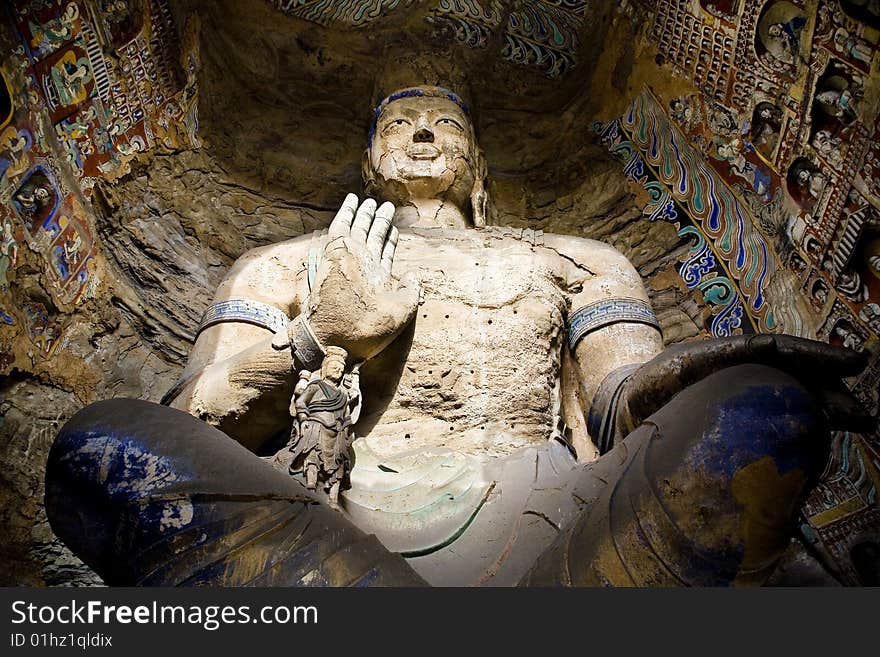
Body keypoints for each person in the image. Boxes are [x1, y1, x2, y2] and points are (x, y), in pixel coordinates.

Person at [46, 86, 873, 587]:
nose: (423, 132)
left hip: (559, 520)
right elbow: (192, 421)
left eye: (444, 122)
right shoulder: (290, 262)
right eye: (401, 121)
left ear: (477, 158)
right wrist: (315, 337)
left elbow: (621, 405)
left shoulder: (578, 259)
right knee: (96, 446)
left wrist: (703, 365)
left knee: (759, 409)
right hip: (325, 526)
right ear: (371, 156)